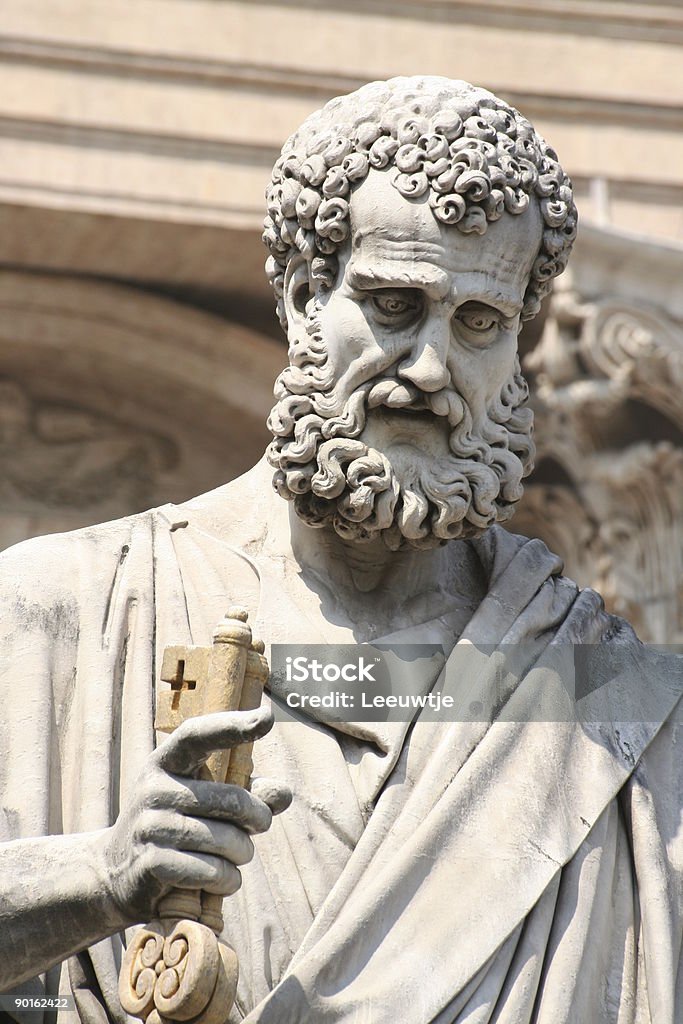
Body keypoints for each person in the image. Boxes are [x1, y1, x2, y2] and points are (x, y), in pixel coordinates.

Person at [0, 77, 681, 1023]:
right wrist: (96, 875)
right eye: (394, 306)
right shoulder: (58, 611)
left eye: (480, 323)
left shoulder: (617, 702)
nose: (433, 371)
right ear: (300, 298)